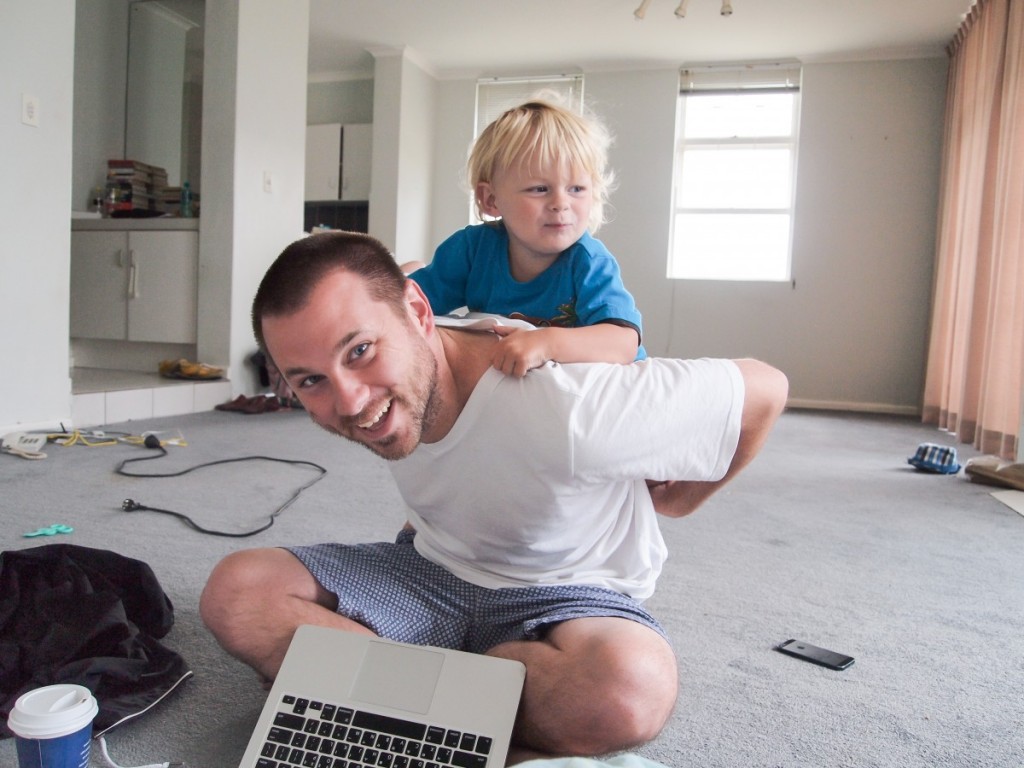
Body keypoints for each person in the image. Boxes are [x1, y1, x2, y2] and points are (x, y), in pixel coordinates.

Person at [200, 231, 788, 763]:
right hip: (429, 571)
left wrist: (678, 499)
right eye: (311, 380)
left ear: (418, 311)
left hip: (563, 597)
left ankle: (392, 705)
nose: (349, 401)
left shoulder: (569, 403)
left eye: (360, 351)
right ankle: (469, 728)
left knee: (629, 692)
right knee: (239, 593)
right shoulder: (397, 371)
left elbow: (764, 388)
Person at [403, 97, 645, 378]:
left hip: (609, 387)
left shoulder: (589, 262)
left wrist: (547, 342)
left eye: (577, 188)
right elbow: (409, 305)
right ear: (491, 199)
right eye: (540, 189)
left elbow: (623, 343)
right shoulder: (472, 250)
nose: (561, 203)